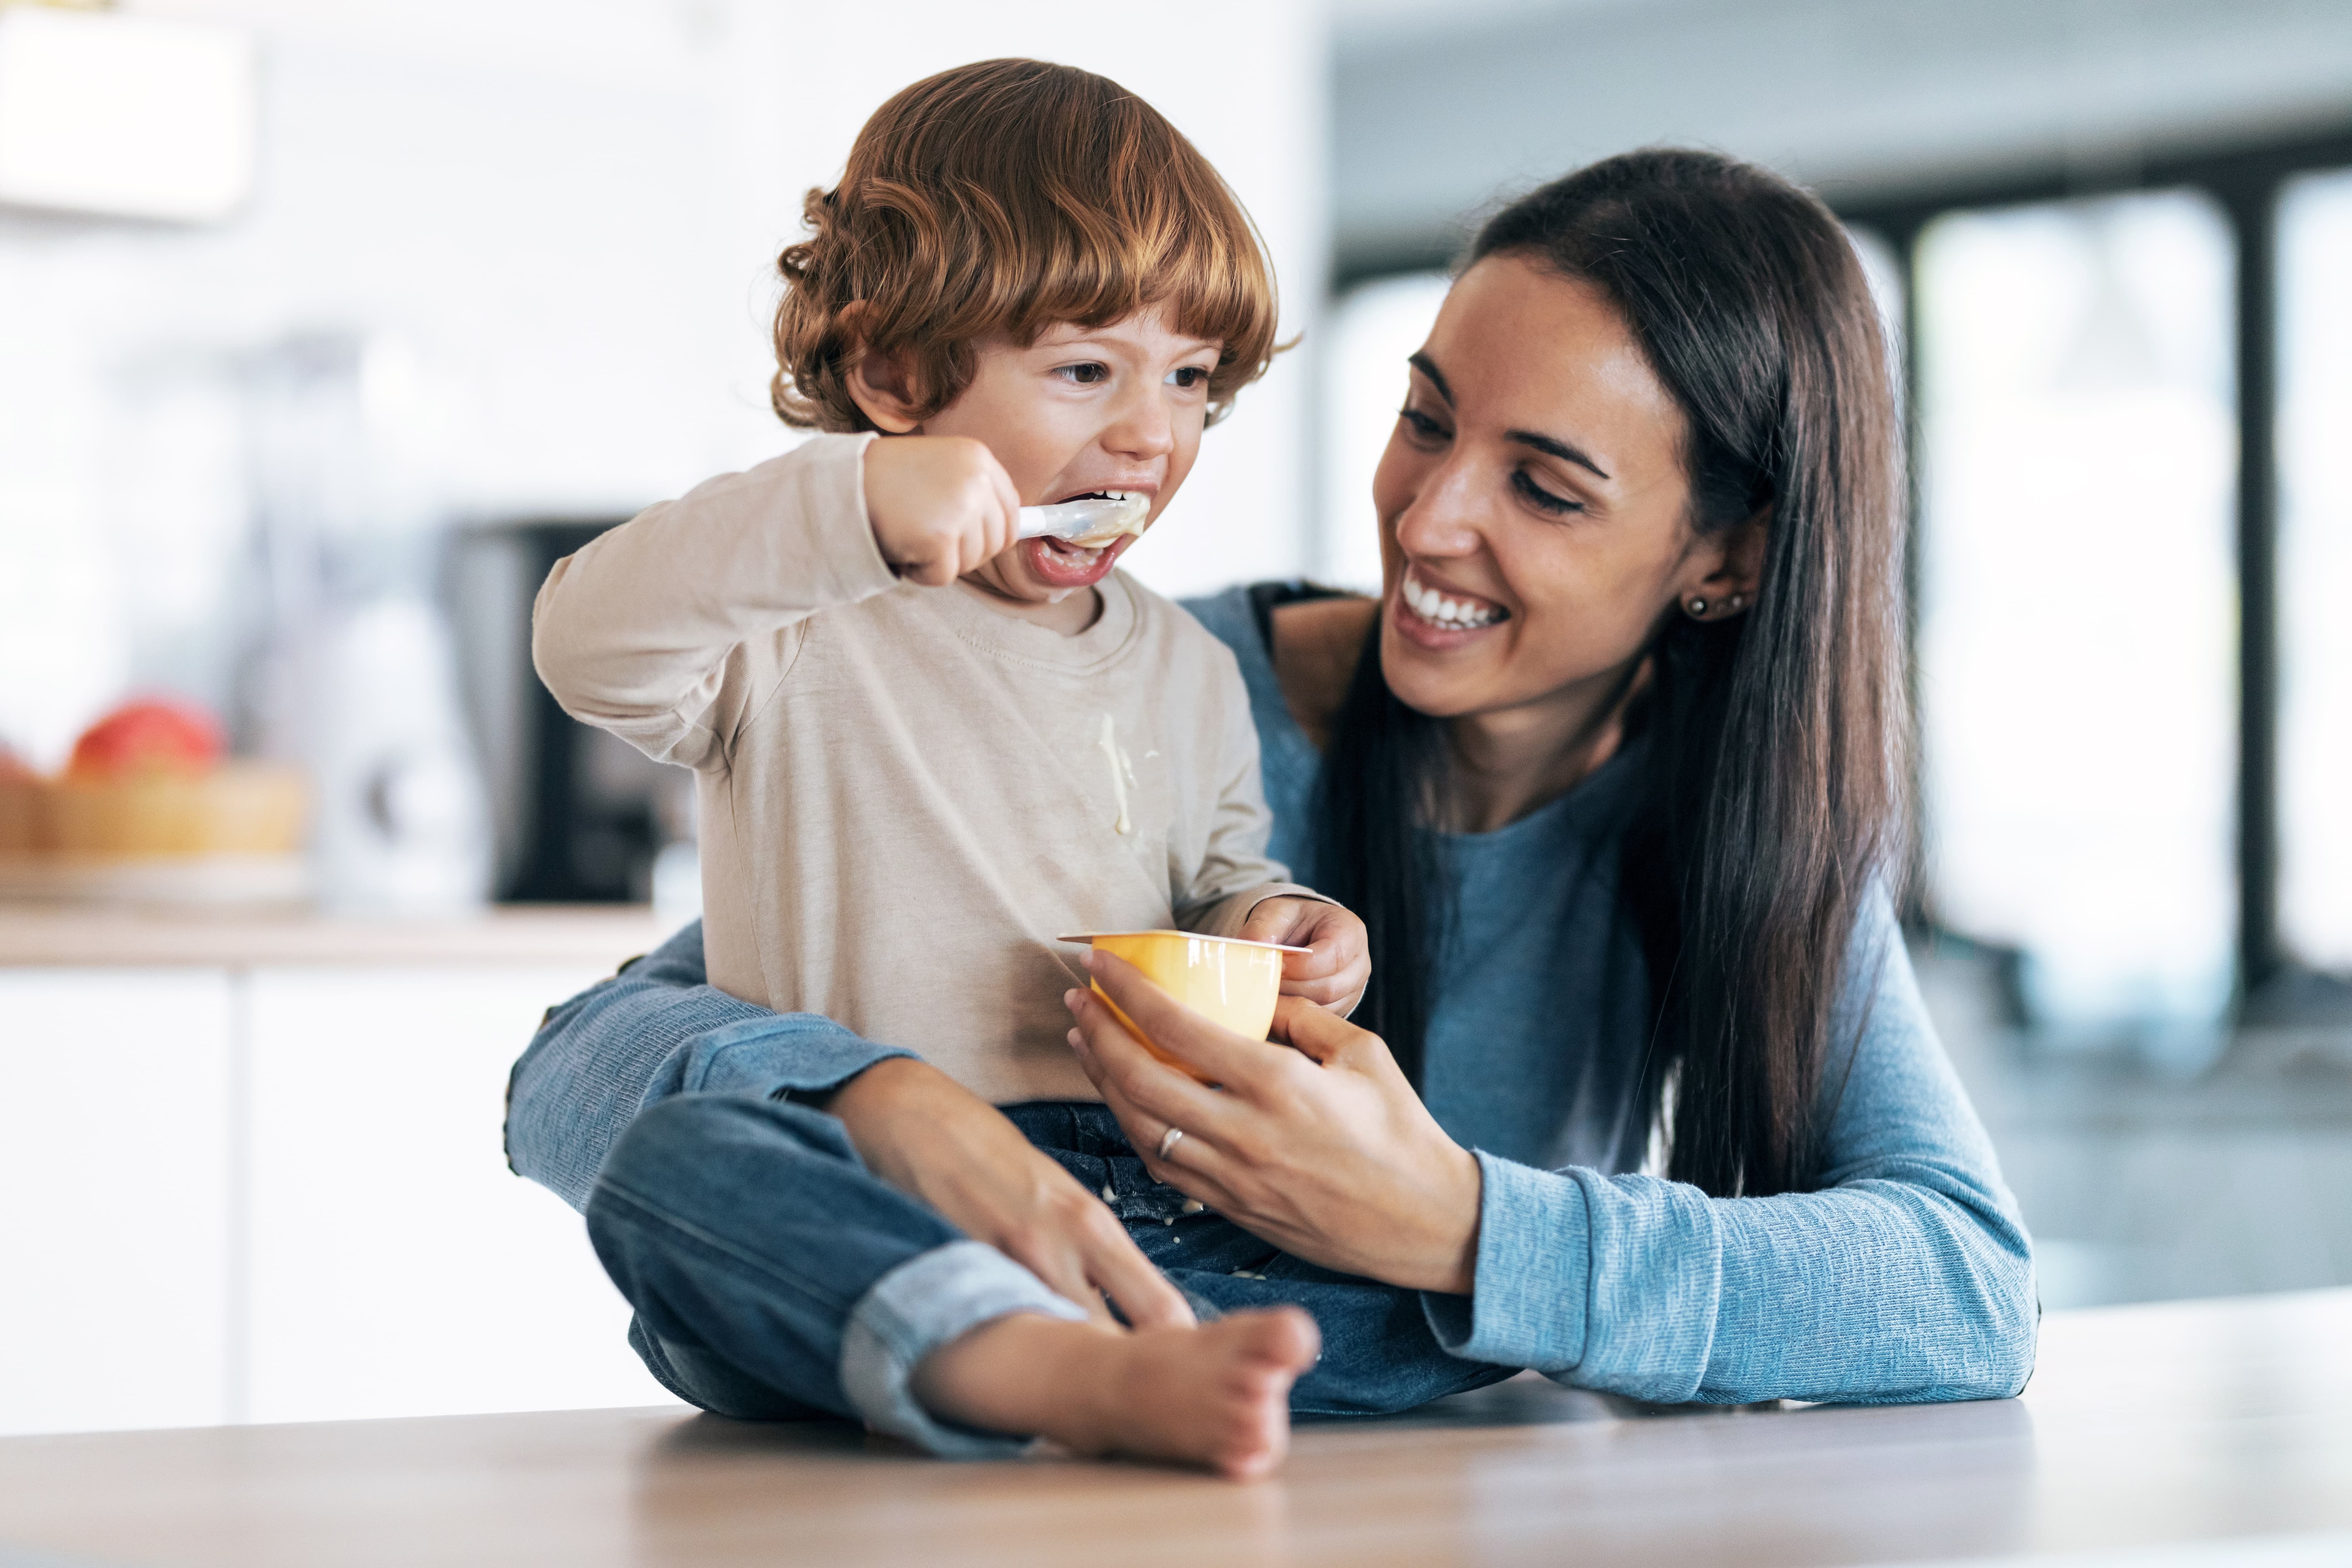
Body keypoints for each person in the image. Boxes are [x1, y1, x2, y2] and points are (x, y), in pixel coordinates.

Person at [509, 147, 2038, 1475]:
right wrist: (871, 1100)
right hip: (958, 1435)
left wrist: (1450, 1223)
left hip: (1326, 1455)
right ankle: (1035, 1359)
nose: (1428, 519)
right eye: (1427, 420)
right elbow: (573, 1071)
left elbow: (1962, 1286)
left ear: (1730, 561)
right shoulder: (1137, 684)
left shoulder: (1749, 831)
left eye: (1547, 489)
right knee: (687, 1172)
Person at [529, 58, 1365, 1479]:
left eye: (1189, 382)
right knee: (682, 1170)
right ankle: (1051, 1362)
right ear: (897, 375)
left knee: (1412, 1262)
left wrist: (1271, 930)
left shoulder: (1187, 666)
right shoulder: (798, 621)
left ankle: (1090, 1356)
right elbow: (582, 642)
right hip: (860, 1184)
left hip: (1131, 1196)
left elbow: (1221, 879)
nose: (1150, 434)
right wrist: (846, 498)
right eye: (1086, 369)